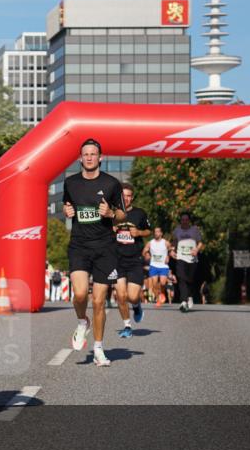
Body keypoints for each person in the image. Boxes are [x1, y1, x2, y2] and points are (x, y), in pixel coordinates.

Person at [63, 138, 126, 366]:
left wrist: (110, 214)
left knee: (99, 301)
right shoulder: (70, 182)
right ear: (80, 158)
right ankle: (82, 322)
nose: (89, 157)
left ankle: (98, 349)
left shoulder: (112, 184)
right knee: (80, 294)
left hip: (105, 247)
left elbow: (122, 215)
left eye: (93, 154)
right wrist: (66, 210)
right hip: (79, 245)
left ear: (101, 157)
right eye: (85, 154)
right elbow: (67, 205)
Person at [113, 183, 150, 338]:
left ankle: (136, 305)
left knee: (132, 296)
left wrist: (139, 232)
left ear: (132, 198)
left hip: (135, 259)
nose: (126, 199)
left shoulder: (140, 213)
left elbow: (149, 230)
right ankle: (127, 326)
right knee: (120, 295)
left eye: (129, 196)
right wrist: (110, 230)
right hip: (116, 259)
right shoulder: (112, 214)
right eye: (124, 196)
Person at [171, 211, 204, 313]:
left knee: (189, 280)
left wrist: (196, 250)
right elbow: (174, 242)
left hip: (192, 259)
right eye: (182, 220)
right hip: (181, 257)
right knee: (181, 278)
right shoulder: (177, 230)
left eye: (186, 220)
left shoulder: (194, 230)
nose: (184, 221)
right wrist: (172, 250)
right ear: (180, 221)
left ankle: (189, 296)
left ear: (189, 221)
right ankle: (183, 301)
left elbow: (200, 243)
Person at [144, 226, 172, 307]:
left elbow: (171, 250)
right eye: (155, 232)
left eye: (158, 232)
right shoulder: (150, 243)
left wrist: (168, 257)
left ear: (161, 233)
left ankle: (162, 293)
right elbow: (144, 251)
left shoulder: (166, 242)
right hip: (153, 265)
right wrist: (146, 254)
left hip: (163, 266)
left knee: (163, 284)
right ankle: (158, 299)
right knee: (154, 284)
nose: (156, 233)